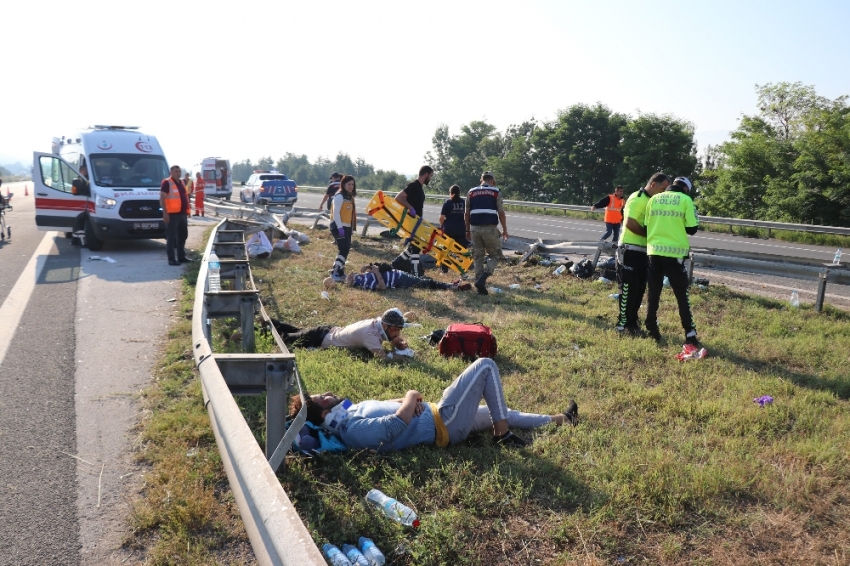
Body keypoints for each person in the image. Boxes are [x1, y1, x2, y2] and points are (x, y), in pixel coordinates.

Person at [288, 358, 580, 452]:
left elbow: (392, 410)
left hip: (439, 413)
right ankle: (502, 435)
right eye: (320, 398)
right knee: (486, 365)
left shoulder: (352, 412)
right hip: (446, 424)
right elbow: (390, 428)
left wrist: (408, 402)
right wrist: (411, 397)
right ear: (324, 413)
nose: (326, 393)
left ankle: (560, 420)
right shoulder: (349, 430)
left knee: (500, 411)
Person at [643, 177, 701, 347]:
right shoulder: (685, 200)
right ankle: (690, 333)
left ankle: (651, 327)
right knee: (681, 295)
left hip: (653, 252)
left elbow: (647, 225)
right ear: (686, 189)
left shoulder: (654, 199)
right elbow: (692, 229)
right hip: (674, 254)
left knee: (654, 292)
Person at [615, 173, 670, 335]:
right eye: (662, 188)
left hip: (643, 252)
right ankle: (623, 325)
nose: (664, 192)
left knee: (639, 290)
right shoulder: (638, 198)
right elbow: (630, 223)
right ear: (653, 184)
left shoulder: (652, 201)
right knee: (628, 289)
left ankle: (632, 322)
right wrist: (649, 235)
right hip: (630, 250)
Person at [271, 308, 410, 361]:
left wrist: (397, 341)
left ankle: (271, 322)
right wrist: (402, 357)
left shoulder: (376, 324)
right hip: (320, 338)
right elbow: (383, 358)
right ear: (385, 325)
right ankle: (263, 329)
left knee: (297, 331)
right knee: (286, 339)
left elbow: (390, 338)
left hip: (326, 331)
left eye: (399, 330)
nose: (396, 333)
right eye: (394, 330)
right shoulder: (370, 334)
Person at [464, 171, 508, 295]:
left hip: (474, 229)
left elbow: (466, 214)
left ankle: (479, 288)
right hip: (490, 228)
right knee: (496, 255)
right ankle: (483, 278)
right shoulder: (495, 192)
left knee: (478, 257)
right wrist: (504, 229)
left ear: (481, 180)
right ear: (492, 181)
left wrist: (467, 230)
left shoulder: (471, 192)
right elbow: (501, 213)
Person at [391, 165, 433, 277]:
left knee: (413, 247)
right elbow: (398, 197)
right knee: (416, 247)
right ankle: (415, 273)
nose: (431, 178)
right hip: (412, 222)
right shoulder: (413, 186)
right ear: (426, 174)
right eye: (431, 176)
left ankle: (395, 264)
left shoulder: (419, 187)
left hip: (417, 222)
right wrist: (410, 207)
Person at [325, 263, 472, 292]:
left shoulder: (360, 277)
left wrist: (367, 267)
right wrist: (375, 272)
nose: (349, 276)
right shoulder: (363, 285)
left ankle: (449, 285)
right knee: (426, 282)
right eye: (347, 279)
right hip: (399, 280)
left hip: (398, 274)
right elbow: (381, 287)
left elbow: (377, 271)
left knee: (424, 281)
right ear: (349, 284)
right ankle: (451, 287)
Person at [160, 165, 191, 266]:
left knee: (183, 235)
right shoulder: (166, 182)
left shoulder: (182, 182)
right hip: (172, 215)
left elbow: (185, 198)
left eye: (179, 171)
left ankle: (181, 257)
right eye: (176, 171)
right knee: (172, 237)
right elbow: (162, 199)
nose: (178, 173)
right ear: (171, 172)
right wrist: (165, 213)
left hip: (182, 214)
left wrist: (187, 211)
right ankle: (171, 259)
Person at [329, 174, 357, 281]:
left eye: (352, 184)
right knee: (343, 249)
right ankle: (335, 271)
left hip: (346, 227)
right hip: (338, 226)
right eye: (348, 184)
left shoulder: (349, 197)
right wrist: (340, 228)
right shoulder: (339, 196)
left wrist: (351, 228)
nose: (351, 186)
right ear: (343, 185)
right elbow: (336, 214)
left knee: (345, 250)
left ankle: (340, 272)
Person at [439, 184, 468, 273]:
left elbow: (441, 218)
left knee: (446, 250)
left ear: (450, 193)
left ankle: (444, 270)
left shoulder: (447, 203)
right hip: (461, 230)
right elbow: (467, 216)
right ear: (459, 193)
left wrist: (443, 225)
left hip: (449, 229)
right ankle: (463, 270)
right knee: (462, 251)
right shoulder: (464, 202)